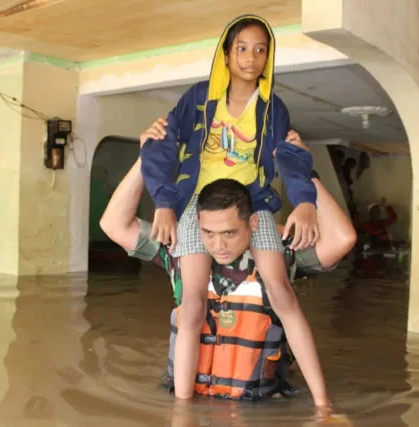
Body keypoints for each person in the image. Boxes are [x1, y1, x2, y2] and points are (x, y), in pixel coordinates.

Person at [100, 132, 356, 413]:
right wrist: (146, 158)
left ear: (252, 224)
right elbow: (114, 224)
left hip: (259, 410)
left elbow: (342, 239)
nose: (218, 245)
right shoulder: (181, 254)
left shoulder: (277, 258)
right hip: (189, 403)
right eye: (209, 233)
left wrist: (304, 169)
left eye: (230, 233)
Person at [139, 14, 321, 402]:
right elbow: (160, 144)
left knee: (282, 293)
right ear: (226, 54)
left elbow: (289, 156)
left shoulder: (274, 109)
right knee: (191, 304)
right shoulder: (199, 98)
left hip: (251, 204)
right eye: (241, 48)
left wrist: (305, 203)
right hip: (198, 204)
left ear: (268, 57)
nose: (250, 57)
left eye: (260, 50)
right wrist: (164, 204)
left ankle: (323, 404)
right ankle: (183, 407)